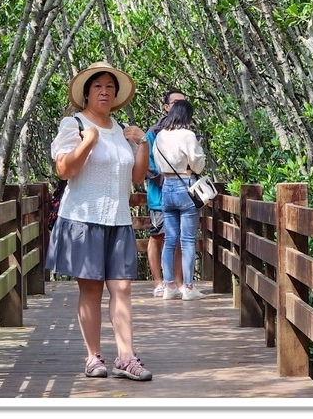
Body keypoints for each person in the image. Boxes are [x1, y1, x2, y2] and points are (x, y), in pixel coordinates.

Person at [45, 61, 154, 381]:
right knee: (91, 290)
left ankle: (126, 356)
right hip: (83, 218)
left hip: (118, 219)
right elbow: (64, 170)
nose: (104, 91)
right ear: (87, 93)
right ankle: (93, 357)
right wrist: (88, 141)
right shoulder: (74, 124)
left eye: (110, 86)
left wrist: (143, 143)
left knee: (122, 288)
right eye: (98, 86)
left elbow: (136, 177)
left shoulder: (122, 131)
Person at [153, 99, 207, 301]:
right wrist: (198, 149)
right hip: (186, 185)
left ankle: (168, 286)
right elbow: (198, 165)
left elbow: (158, 165)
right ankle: (188, 287)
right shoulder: (188, 135)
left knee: (169, 240)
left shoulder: (160, 136)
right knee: (187, 241)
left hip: (166, 186)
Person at [145, 90, 186, 297]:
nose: (180, 106)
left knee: (179, 237)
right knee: (158, 237)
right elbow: (147, 166)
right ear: (166, 107)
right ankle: (159, 282)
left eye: (183, 103)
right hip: (159, 197)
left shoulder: (189, 132)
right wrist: (170, 182)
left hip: (183, 197)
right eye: (176, 102)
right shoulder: (153, 133)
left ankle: (178, 282)